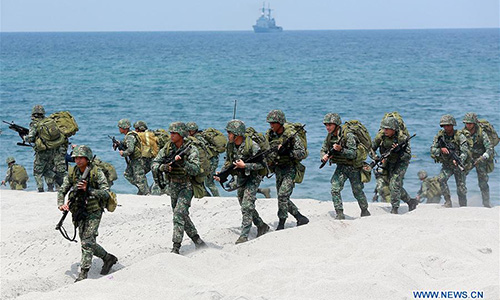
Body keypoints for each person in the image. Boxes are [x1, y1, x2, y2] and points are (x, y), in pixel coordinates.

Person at [57, 145, 117, 282]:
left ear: (87, 158)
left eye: (80, 158)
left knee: (87, 241)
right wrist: (61, 204)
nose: (77, 161)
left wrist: (88, 189)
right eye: (75, 158)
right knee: (87, 242)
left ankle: (84, 274)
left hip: (94, 210)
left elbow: (106, 193)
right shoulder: (73, 173)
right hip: (78, 210)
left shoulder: (96, 172)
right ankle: (108, 258)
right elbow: (62, 190)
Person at [151, 122, 206, 254]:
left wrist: (183, 163)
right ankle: (197, 240)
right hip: (173, 185)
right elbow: (154, 164)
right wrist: (163, 167)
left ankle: (176, 247)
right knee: (182, 215)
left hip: (187, 186)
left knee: (178, 215)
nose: (171, 135)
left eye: (174, 133)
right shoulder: (168, 147)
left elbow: (195, 169)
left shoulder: (191, 149)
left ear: (181, 134)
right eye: (170, 132)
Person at [215, 120, 269, 244]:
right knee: (242, 201)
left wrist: (246, 165)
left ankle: (244, 235)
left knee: (247, 205)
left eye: (229, 133)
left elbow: (262, 165)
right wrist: (222, 174)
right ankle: (261, 225)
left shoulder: (253, 146)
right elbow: (229, 162)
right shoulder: (231, 145)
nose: (227, 135)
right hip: (241, 176)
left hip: (254, 177)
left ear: (237, 134)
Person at [320, 113, 371, 219]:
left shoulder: (348, 135)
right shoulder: (330, 136)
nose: (327, 127)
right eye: (326, 125)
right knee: (335, 188)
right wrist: (324, 156)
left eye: (330, 125)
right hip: (341, 167)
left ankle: (365, 210)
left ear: (336, 124)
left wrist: (341, 150)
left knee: (357, 191)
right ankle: (339, 213)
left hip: (353, 167)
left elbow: (353, 154)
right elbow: (323, 148)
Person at [265, 110, 309, 229]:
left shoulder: (291, 134)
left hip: (290, 168)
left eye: (273, 123)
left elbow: (302, 153)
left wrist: (288, 152)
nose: (271, 125)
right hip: (278, 168)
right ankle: (300, 217)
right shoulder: (270, 134)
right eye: (270, 123)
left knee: (283, 195)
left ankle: (281, 223)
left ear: (280, 122)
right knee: (282, 197)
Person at [371, 116, 417, 214]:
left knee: (394, 184)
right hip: (389, 161)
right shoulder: (381, 136)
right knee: (393, 185)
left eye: (387, 129)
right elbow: (371, 148)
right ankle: (410, 201)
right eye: (384, 128)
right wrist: (375, 157)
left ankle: (395, 209)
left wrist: (399, 151)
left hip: (401, 162)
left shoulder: (402, 138)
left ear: (394, 129)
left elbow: (408, 156)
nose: (385, 130)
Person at [430, 114, 470, 207]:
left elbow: (465, 152)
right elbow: (432, 150)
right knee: (441, 179)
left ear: (453, 125)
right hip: (447, 165)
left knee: (461, 188)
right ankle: (448, 201)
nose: (446, 127)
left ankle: (463, 206)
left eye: (448, 125)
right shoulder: (440, 137)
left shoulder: (460, 136)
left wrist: (459, 160)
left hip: (458, 164)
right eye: (444, 126)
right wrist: (441, 150)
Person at [462, 112, 494, 208]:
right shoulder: (463, 133)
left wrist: (483, 157)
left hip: (481, 159)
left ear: (474, 123)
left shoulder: (481, 133)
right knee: (461, 179)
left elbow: (490, 148)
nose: (468, 125)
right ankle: (462, 204)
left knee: (483, 182)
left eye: (470, 123)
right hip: (469, 159)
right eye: (466, 123)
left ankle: (486, 204)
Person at [23, 105, 56, 192]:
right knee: (48, 169)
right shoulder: (48, 121)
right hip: (52, 148)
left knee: (37, 171)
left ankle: (40, 189)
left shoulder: (34, 123)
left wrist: (24, 137)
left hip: (42, 151)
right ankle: (50, 188)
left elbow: (30, 138)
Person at [186, 122, 220, 197]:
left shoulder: (197, 138)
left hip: (210, 160)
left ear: (192, 131)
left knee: (209, 182)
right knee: (202, 181)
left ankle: (217, 197)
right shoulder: (199, 137)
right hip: (209, 160)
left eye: (189, 131)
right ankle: (206, 195)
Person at [117, 119, 150, 195]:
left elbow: (130, 150)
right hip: (135, 159)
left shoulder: (130, 136)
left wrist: (123, 153)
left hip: (137, 160)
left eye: (120, 127)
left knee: (139, 177)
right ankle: (143, 189)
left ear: (124, 127)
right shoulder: (129, 136)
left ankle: (145, 191)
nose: (119, 129)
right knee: (127, 174)